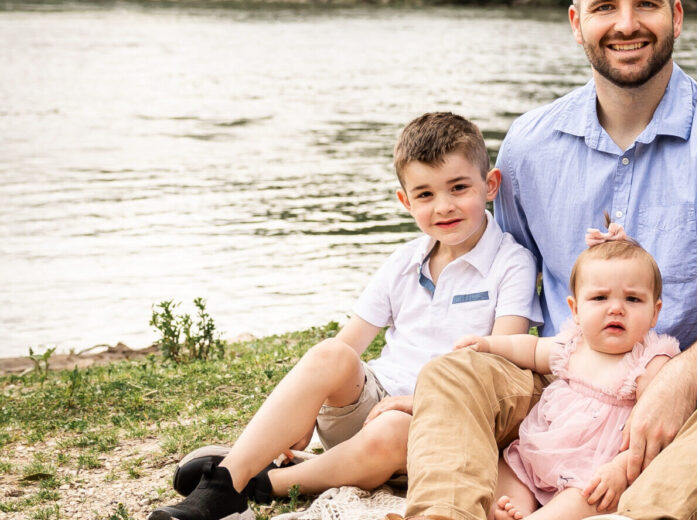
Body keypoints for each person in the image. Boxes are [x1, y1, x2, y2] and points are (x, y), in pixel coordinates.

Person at [399, 0, 697, 520]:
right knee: (455, 373)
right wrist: (423, 398)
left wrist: (679, 381)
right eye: (605, 6)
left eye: (646, 4)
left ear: (676, 16)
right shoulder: (529, 145)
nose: (626, 23)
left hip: (683, 397)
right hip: (561, 386)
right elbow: (499, 277)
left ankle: (638, 513)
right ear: (577, 23)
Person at [149, 112, 541, 520]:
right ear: (405, 201)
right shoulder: (404, 260)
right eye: (424, 194)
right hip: (370, 406)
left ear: (490, 185)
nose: (443, 206)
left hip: (445, 420)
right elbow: (348, 345)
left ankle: (265, 481)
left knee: (389, 431)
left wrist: (415, 405)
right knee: (329, 354)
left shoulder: (511, 263)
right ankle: (227, 480)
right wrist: (303, 412)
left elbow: (499, 366)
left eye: (458, 188)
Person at [457, 239, 681, 520]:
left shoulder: (650, 362)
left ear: (654, 313)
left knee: (587, 497)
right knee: (510, 468)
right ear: (575, 309)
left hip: (597, 466)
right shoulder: (573, 345)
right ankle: (514, 507)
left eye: (632, 299)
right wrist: (489, 344)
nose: (616, 309)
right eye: (600, 298)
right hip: (543, 451)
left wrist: (621, 468)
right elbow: (531, 348)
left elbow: (651, 426)